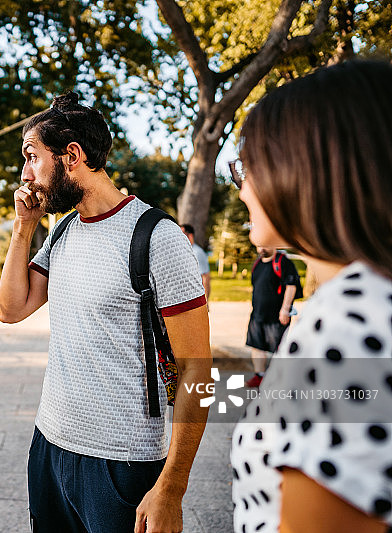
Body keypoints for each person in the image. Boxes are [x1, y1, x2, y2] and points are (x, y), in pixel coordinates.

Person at [0, 91, 211, 533]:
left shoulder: (157, 236)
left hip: (123, 462)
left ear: (71, 155)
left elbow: (198, 370)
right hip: (49, 443)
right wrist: (24, 227)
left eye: (32, 157)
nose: (25, 175)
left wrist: (171, 486)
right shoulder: (64, 231)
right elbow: (11, 308)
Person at [230, 60, 392, 533]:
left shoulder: (347, 328)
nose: (241, 190)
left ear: (307, 170)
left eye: (247, 166)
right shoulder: (367, 300)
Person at [244, 246, 300, 387]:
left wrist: (285, 310)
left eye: (264, 244)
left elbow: (291, 286)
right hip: (257, 314)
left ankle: (280, 379)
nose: (261, 248)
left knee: (278, 349)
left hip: (276, 316)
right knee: (256, 346)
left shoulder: (282, 262)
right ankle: (259, 376)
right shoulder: (257, 264)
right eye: (259, 245)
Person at [180, 224, 211, 301]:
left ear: (190, 236)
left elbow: (205, 277)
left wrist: (205, 301)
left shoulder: (197, 253)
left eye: (182, 234)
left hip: (196, 300)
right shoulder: (184, 252)